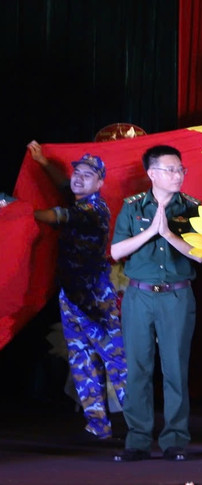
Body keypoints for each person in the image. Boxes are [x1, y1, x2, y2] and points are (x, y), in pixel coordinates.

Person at [109, 145, 202, 463]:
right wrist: (151, 232)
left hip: (177, 295)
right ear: (152, 173)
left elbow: (201, 255)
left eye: (180, 169)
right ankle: (137, 439)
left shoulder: (191, 208)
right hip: (139, 296)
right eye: (170, 169)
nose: (177, 175)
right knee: (138, 368)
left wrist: (169, 234)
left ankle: (175, 439)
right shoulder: (133, 207)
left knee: (175, 368)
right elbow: (116, 251)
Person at [27, 145, 126, 440]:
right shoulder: (79, 198)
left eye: (88, 175)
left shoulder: (94, 209)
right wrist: (43, 161)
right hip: (71, 295)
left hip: (95, 298)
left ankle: (138, 422)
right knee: (82, 360)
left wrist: (20, 212)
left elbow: (57, 216)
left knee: (116, 359)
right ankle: (97, 425)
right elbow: (64, 185)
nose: (79, 178)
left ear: (100, 183)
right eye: (77, 173)